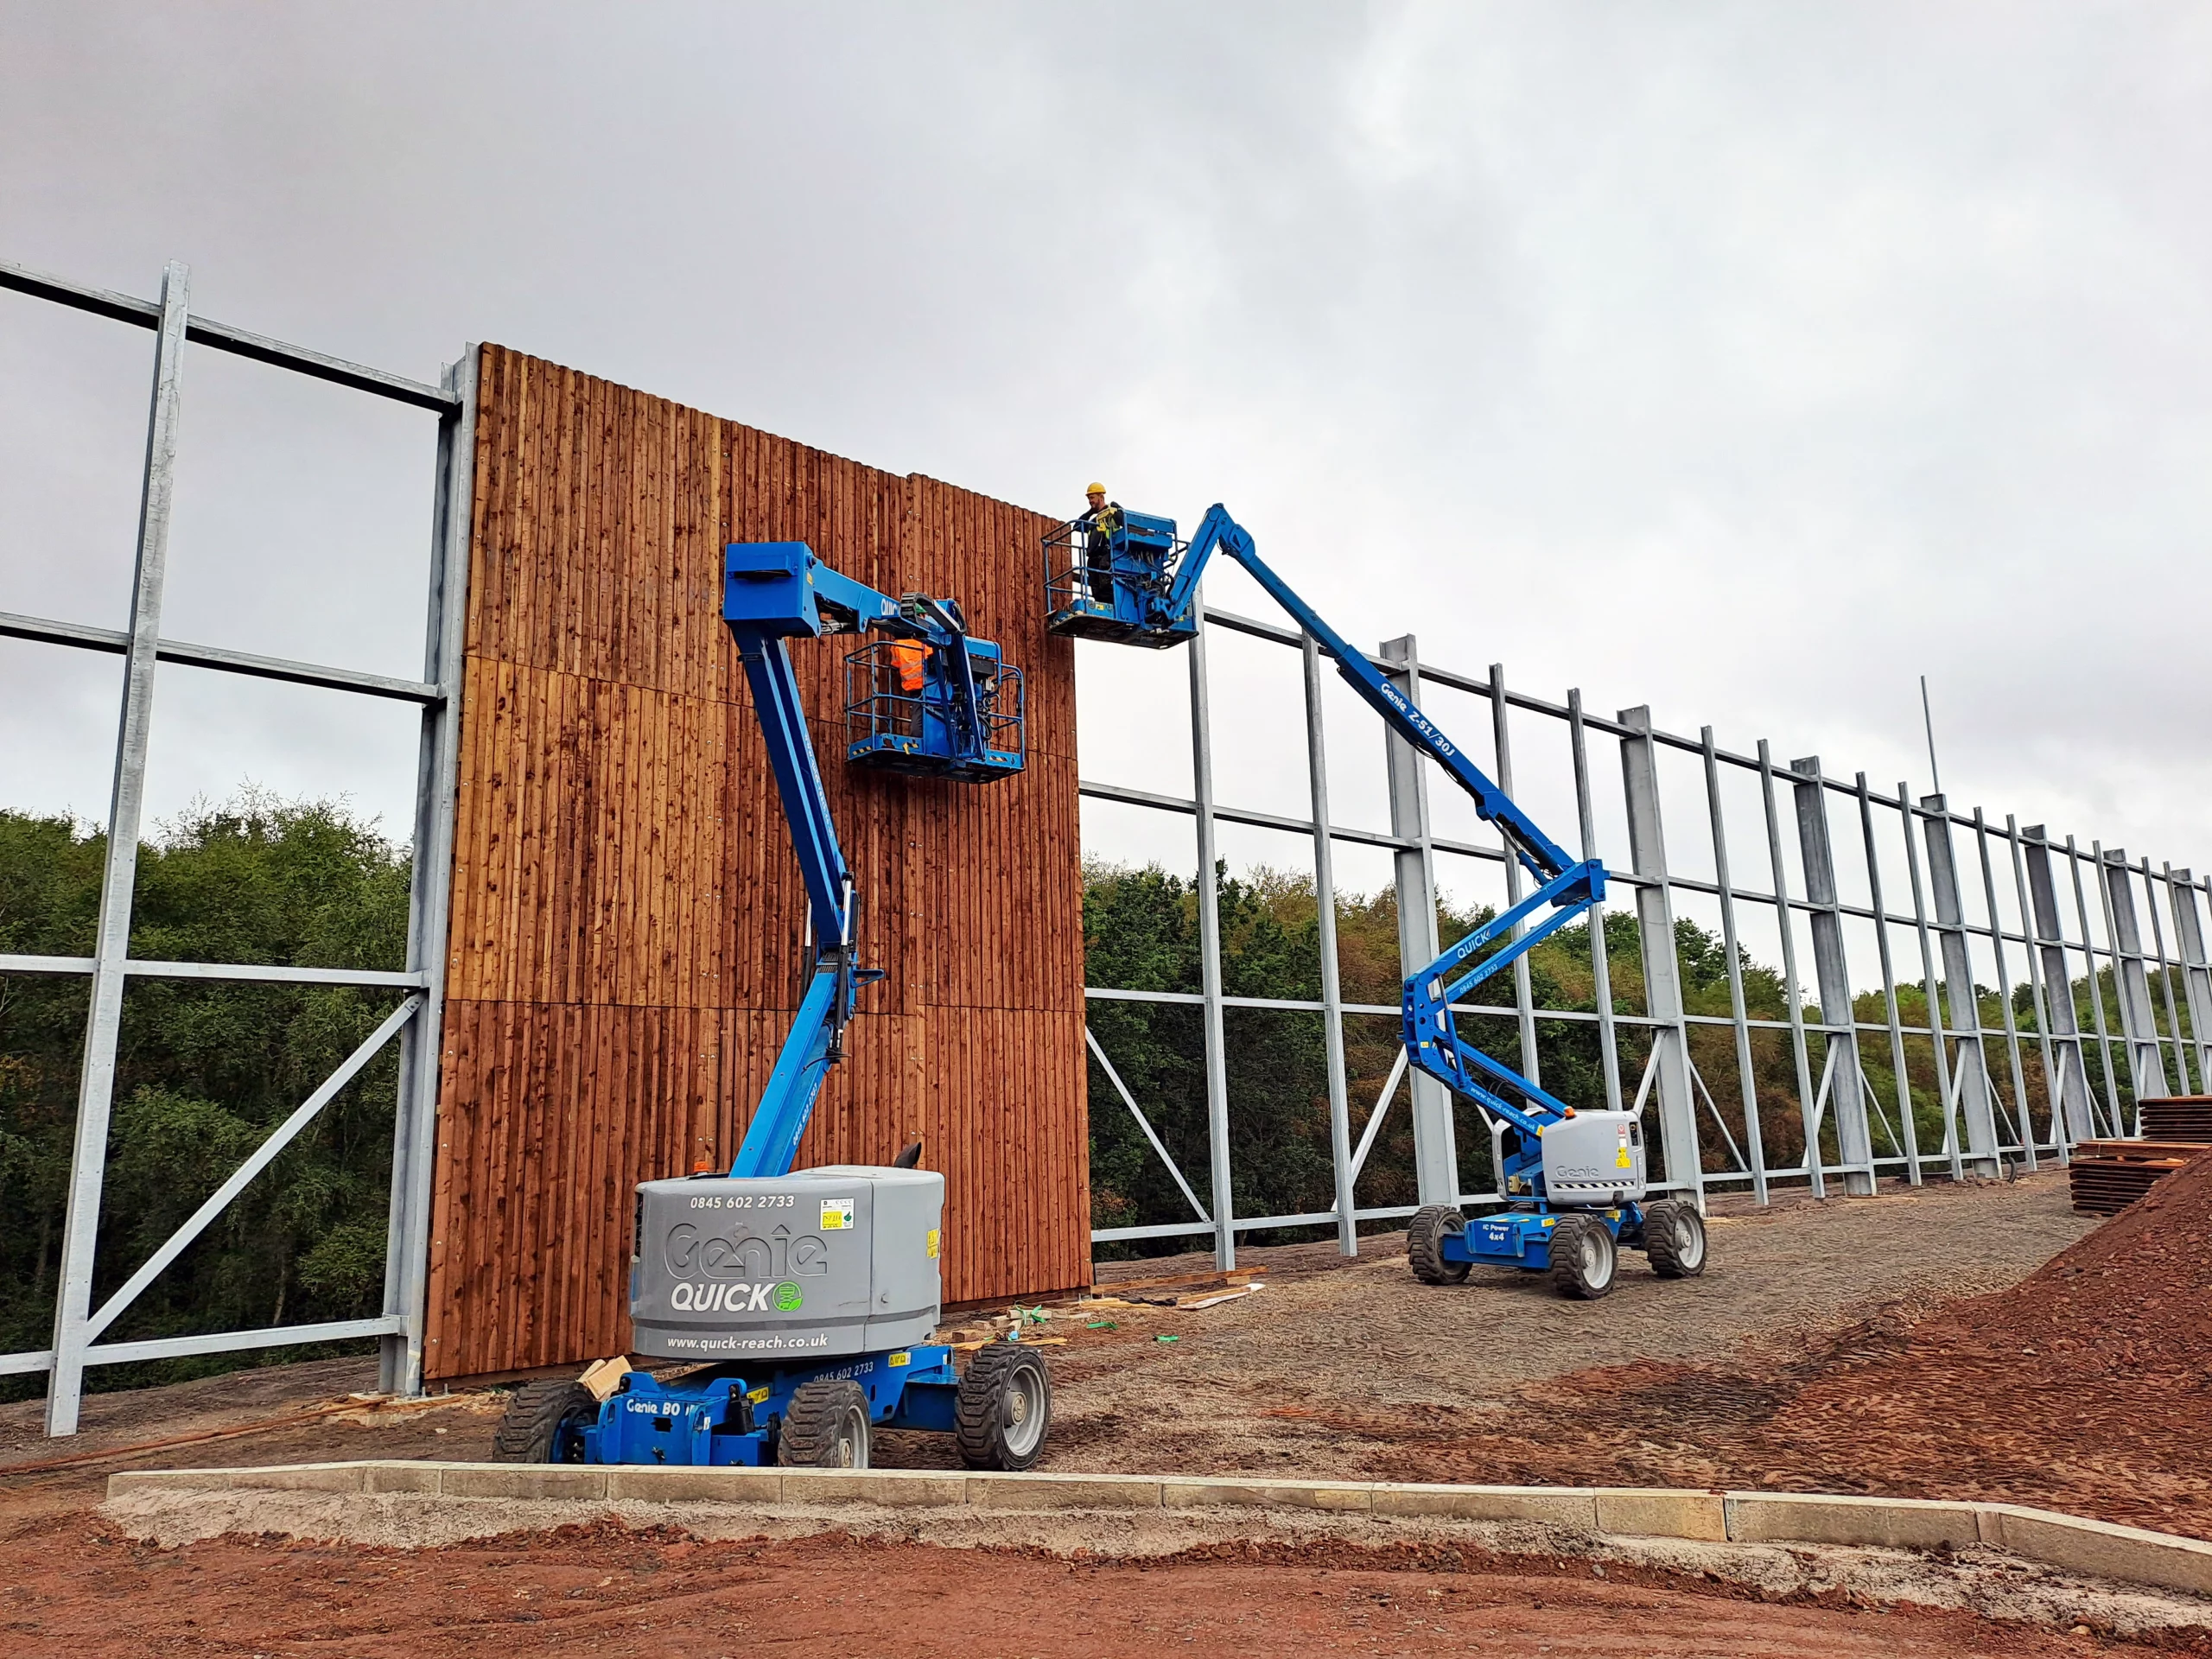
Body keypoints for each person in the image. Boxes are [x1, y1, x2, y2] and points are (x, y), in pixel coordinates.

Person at [1077, 482, 1122, 605]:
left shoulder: (1111, 512)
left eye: (1092, 498)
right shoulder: (1093, 521)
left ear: (1101, 497)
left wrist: (1114, 509)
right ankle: (1104, 607)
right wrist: (1091, 511)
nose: (1090, 501)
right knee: (1096, 591)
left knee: (1104, 587)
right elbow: (1077, 526)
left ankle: (1115, 605)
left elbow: (1124, 519)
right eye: (1089, 498)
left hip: (1106, 555)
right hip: (1093, 559)